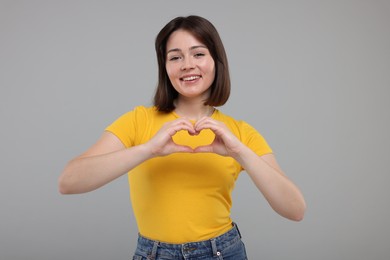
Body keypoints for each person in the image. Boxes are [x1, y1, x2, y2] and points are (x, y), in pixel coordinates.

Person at [59, 15, 306, 260]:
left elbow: (295, 209)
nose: (187, 64)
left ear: (216, 61)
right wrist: (149, 149)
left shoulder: (239, 133)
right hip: (153, 254)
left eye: (198, 54)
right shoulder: (138, 121)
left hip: (222, 253)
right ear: (165, 67)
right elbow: (68, 182)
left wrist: (239, 152)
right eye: (175, 57)